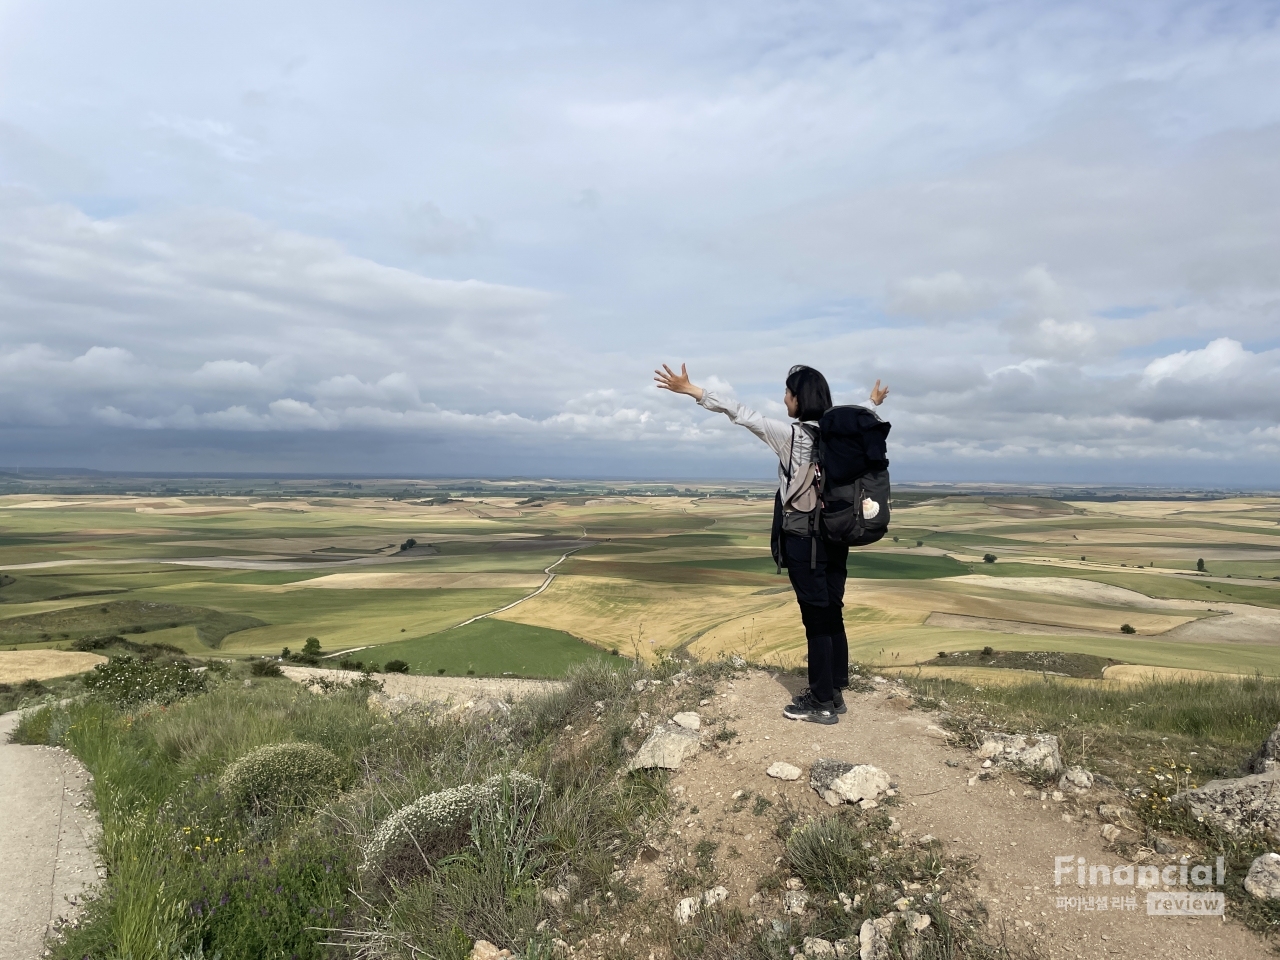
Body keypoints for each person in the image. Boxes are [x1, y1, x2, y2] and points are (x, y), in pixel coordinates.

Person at [654, 362, 888, 725]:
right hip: (836, 535)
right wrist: (871, 403)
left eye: (787, 393)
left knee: (815, 618)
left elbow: (743, 415)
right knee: (831, 610)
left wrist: (694, 391)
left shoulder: (792, 437)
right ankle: (836, 686)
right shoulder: (839, 435)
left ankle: (823, 701)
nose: (784, 399)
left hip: (804, 539)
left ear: (799, 398)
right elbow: (863, 416)